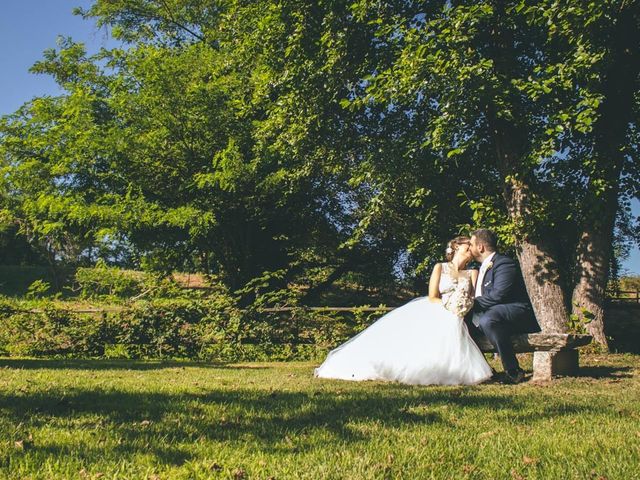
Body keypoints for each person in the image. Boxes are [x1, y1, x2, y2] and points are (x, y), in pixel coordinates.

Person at [314, 236, 493, 385]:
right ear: (455, 248)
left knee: (453, 326)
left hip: (459, 314)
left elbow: (473, 296)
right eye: (466, 246)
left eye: (471, 247)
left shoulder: (472, 273)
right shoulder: (440, 267)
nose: (470, 249)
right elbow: (432, 296)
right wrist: (448, 307)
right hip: (439, 307)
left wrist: (461, 307)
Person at [468, 229, 541, 384]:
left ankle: (513, 370)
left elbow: (499, 295)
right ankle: (481, 371)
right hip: (492, 313)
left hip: (514, 311)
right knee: (459, 325)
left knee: (489, 319)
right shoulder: (482, 268)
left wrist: (470, 304)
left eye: (471, 244)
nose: (469, 248)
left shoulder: (504, 263)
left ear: (480, 247)